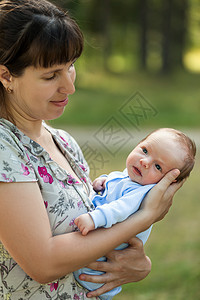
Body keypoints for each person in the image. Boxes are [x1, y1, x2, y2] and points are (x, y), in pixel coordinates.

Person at [0, 0, 184, 299]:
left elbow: (95, 238)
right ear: (7, 76)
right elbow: (43, 264)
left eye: (70, 67)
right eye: (50, 76)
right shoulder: (4, 147)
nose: (69, 87)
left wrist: (139, 264)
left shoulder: (63, 141)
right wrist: (145, 216)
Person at [74, 128, 196, 299]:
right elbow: (115, 182)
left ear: (166, 181)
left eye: (158, 166)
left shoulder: (143, 193)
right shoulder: (129, 177)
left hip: (95, 273)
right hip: (90, 252)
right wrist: (103, 181)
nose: (145, 162)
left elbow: (120, 208)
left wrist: (94, 218)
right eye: (145, 150)